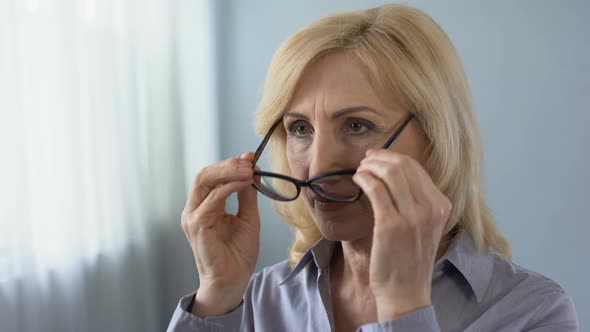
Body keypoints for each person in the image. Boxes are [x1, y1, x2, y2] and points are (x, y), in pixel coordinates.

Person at [167, 4, 578, 331]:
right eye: (299, 128)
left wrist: (403, 308)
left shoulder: (532, 313)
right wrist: (216, 298)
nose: (318, 164)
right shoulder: (253, 301)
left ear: (436, 141)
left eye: (357, 125)